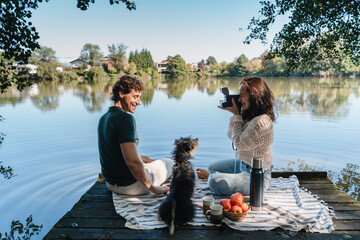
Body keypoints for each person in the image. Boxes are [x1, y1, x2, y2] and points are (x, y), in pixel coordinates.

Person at [196, 76, 276, 195]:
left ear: (254, 96)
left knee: (214, 180)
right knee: (212, 167)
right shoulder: (250, 117)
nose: (238, 100)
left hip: (257, 177)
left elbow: (239, 143)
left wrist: (236, 115)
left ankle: (215, 178)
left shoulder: (262, 122)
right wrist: (236, 115)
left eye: (242, 96)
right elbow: (231, 135)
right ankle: (227, 177)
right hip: (242, 164)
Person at [98, 75, 173, 196]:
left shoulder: (104, 118)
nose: (139, 102)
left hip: (111, 184)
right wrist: (153, 188)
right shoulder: (125, 119)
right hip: (130, 186)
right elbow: (132, 162)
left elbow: (117, 152)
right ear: (122, 94)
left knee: (152, 162)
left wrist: (147, 160)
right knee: (170, 162)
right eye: (135, 97)